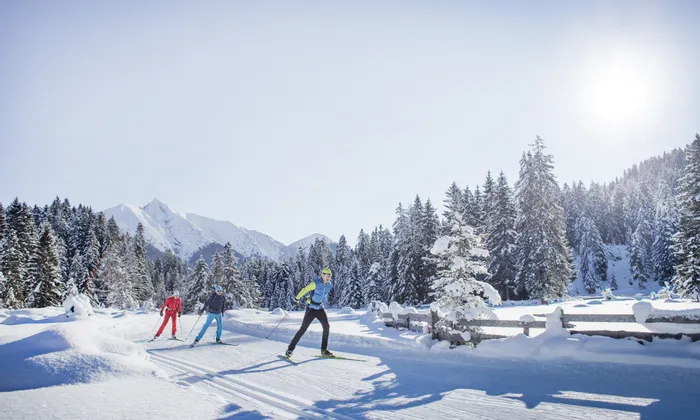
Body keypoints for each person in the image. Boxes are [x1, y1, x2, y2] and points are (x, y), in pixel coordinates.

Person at [285, 267, 334, 358]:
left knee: (326, 327)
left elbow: (324, 295)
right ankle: (290, 349)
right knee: (303, 329)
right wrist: (297, 299)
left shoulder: (329, 285)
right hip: (311, 308)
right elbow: (304, 290)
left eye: (330, 276)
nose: (328, 277)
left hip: (320, 308)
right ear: (322, 275)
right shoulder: (315, 283)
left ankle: (324, 350)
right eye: (327, 275)